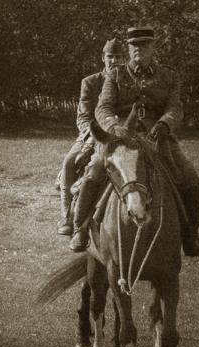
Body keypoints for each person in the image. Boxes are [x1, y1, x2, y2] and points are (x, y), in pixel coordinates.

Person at [70, 26, 199, 257]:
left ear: (154, 47)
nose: (138, 50)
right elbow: (103, 107)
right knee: (94, 171)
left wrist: (164, 124)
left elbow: (175, 107)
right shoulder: (116, 74)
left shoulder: (169, 76)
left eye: (143, 45)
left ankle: (189, 237)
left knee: (190, 179)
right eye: (133, 46)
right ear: (129, 48)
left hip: (158, 138)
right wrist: (114, 128)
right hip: (121, 138)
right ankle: (80, 227)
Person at [57, 38, 125, 235]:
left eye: (118, 57)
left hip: (119, 134)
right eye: (110, 57)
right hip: (92, 134)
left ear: (123, 59)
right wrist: (93, 135)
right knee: (70, 161)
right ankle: (67, 216)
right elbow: (84, 116)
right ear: (103, 58)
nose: (113, 61)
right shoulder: (90, 82)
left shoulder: (127, 81)